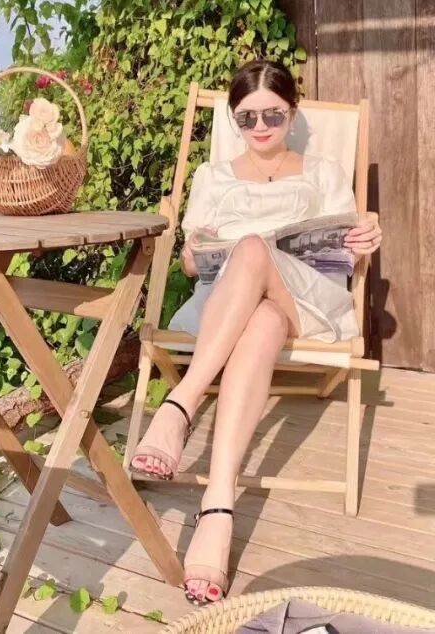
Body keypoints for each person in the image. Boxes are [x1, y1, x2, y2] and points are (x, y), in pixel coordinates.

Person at [128, 59, 383, 605]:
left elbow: (345, 249)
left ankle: (179, 405)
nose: (260, 126)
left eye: (273, 114)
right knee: (259, 315)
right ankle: (218, 506)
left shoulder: (323, 173)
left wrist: (364, 239)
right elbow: (192, 267)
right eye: (247, 118)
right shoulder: (212, 177)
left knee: (253, 249)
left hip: (305, 298)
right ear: (233, 118)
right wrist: (194, 253)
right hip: (228, 305)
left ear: (292, 112)